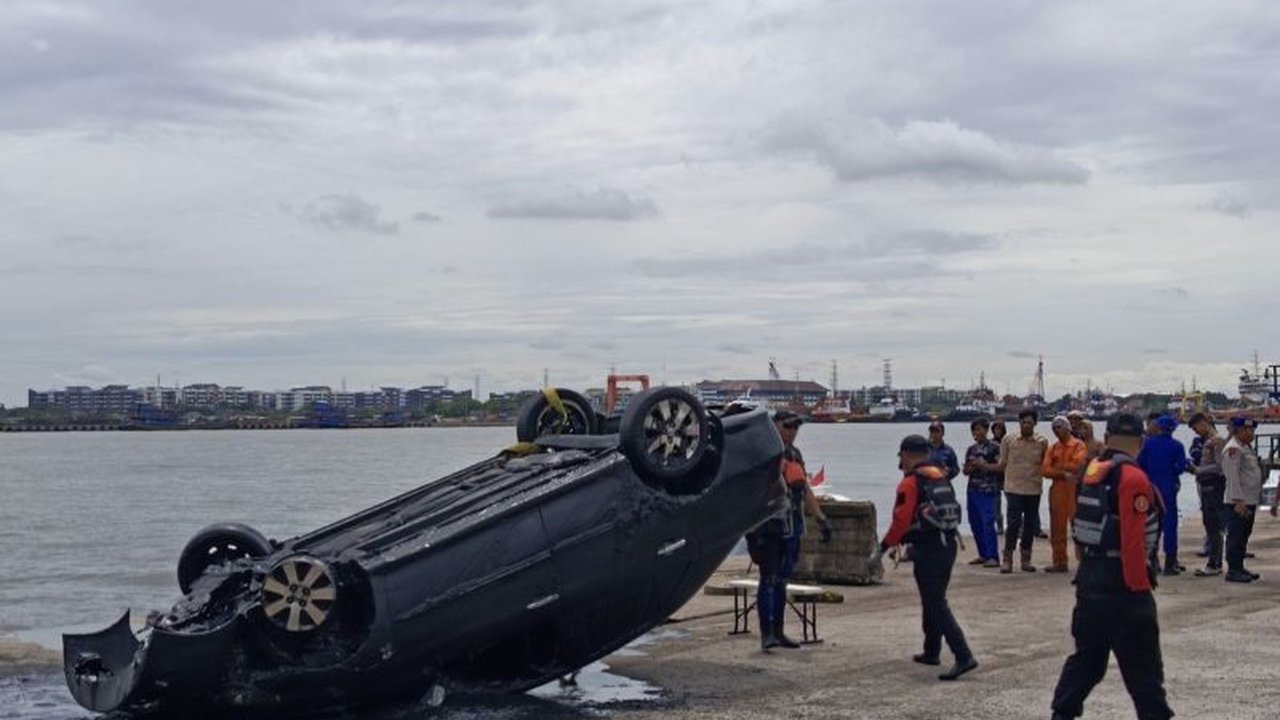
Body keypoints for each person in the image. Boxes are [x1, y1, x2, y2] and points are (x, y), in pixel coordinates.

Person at [1050, 413, 1173, 720]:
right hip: (1123, 586)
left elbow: (1081, 524)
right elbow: (1132, 541)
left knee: (1088, 661)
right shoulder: (1132, 478)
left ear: (1106, 435)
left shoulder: (1093, 470)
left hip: (1091, 578)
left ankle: (1061, 714)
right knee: (1145, 671)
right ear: (1142, 442)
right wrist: (1140, 589)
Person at [872, 434, 977, 681]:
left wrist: (884, 546)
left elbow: (901, 520)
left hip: (929, 548)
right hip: (948, 544)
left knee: (936, 603)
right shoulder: (939, 474)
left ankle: (963, 655)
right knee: (933, 599)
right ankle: (932, 651)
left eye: (902, 457)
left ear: (906, 455)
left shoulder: (911, 482)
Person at [745, 410, 834, 649]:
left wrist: (821, 518)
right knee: (769, 579)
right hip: (768, 527)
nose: (792, 431)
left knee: (783, 580)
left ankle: (779, 631)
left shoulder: (795, 454)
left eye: (796, 427)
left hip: (792, 526)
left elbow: (805, 488)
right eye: (788, 426)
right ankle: (767, 635)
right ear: (775, 425)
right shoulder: (763, 454)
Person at [996, 409, 1048, 573]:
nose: (1026, 425)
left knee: (1030, 525)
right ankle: (1007, 558)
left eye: (1029, 423)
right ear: (1019, 423)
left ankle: (1026, 559)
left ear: (1035, 424)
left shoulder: (1042, 441)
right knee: (1013, 524)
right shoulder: (1008, 440)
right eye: (1023, 422)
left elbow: (1045, 464)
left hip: (1033, 488)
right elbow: (1002, 463)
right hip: (1013, 487)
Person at [1137, 415, 1187, 575]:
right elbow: (1180, 467)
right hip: (1168, 489)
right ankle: (1170, 563)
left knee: (1151, 524)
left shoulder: (1147, 444)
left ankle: (1152, 560)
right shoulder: (1177, 446)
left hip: (1150, 488)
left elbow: (1140, 464)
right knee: (1170, 526)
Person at [1042, 416, 1087, 573]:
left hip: (1074, 490)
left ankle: (1084, 562)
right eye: (1054, 428)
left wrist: (1057, 468)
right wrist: (1062, 473)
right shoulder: (1053, 448)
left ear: (1068, 428)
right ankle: (1059, 562)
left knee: (1079, 527)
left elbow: (1078, 464)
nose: (1056, 430)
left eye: (1059, 427)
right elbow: (1045, 470)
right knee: (1057, 528)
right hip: (1058, 490)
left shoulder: (1078, 445)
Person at [1222, 416, 1262, 583]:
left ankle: (1239, 566)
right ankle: (1233, 570)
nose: (1251, 433)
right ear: (1238, 431)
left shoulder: (1246, 448)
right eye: (1248, 430)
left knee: (1244, 535)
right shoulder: (1234, 449)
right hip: (1239, 501)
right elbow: (1232, 477)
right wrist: (1238, 500)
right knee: (1236, 535)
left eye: (1252, 430)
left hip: (1250, 499)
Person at [1188, 413, 1227, 576]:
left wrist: (1198, 470)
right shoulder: (1209, 441)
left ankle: (1214, 563)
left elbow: (1219, 467)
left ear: (1203, 423)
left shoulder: (1216, 441)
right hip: (1207, 486)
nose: (1196, 432)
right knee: (1210, 525)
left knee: (1213, 526)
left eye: (1196, 428)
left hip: (1213, 487)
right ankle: (1214, 561)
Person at [963, 418, 1002, 568]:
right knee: (975, 522)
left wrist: (983, 465)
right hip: (972, 489)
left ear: (986, 430)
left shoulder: (995, 447)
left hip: (988, 490)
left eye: (979, 429)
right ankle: (983, 554)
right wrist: (970, 467)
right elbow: (965, 471)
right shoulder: (971, 449)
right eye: (974, 430)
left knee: (987, 522)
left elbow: (1000, 467)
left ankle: (993, 556)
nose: (976, 433)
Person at [991, 419, 1008, 535]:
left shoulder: (1008, 442)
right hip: (995, 477)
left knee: (1013, 503)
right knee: (996, 505)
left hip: (1008, 476)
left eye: (1000, 429)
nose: (998, 431)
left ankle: (1016, 525)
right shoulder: (991, 444)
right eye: (996, 429)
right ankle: (1000, 527)